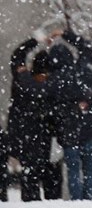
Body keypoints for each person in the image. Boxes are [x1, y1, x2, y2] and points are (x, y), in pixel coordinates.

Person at [46, 28, 92, 201]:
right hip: (89, 126)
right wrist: (65, 34)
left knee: (73, 169)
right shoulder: (84, 69)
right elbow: (86, 47)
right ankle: (89, 200)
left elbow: (51, 107)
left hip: (68, 130)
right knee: (89, 169)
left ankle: (76, 201)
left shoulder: (54, 80)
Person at [8, 40, 61, 201]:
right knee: (49, 174)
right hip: (44, 137)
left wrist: (36, 40)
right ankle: (51, 201)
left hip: (26, 135)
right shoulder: (52, 87)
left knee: (30, 174)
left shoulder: (23, 80)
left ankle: (32, 202)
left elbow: (17, 56)